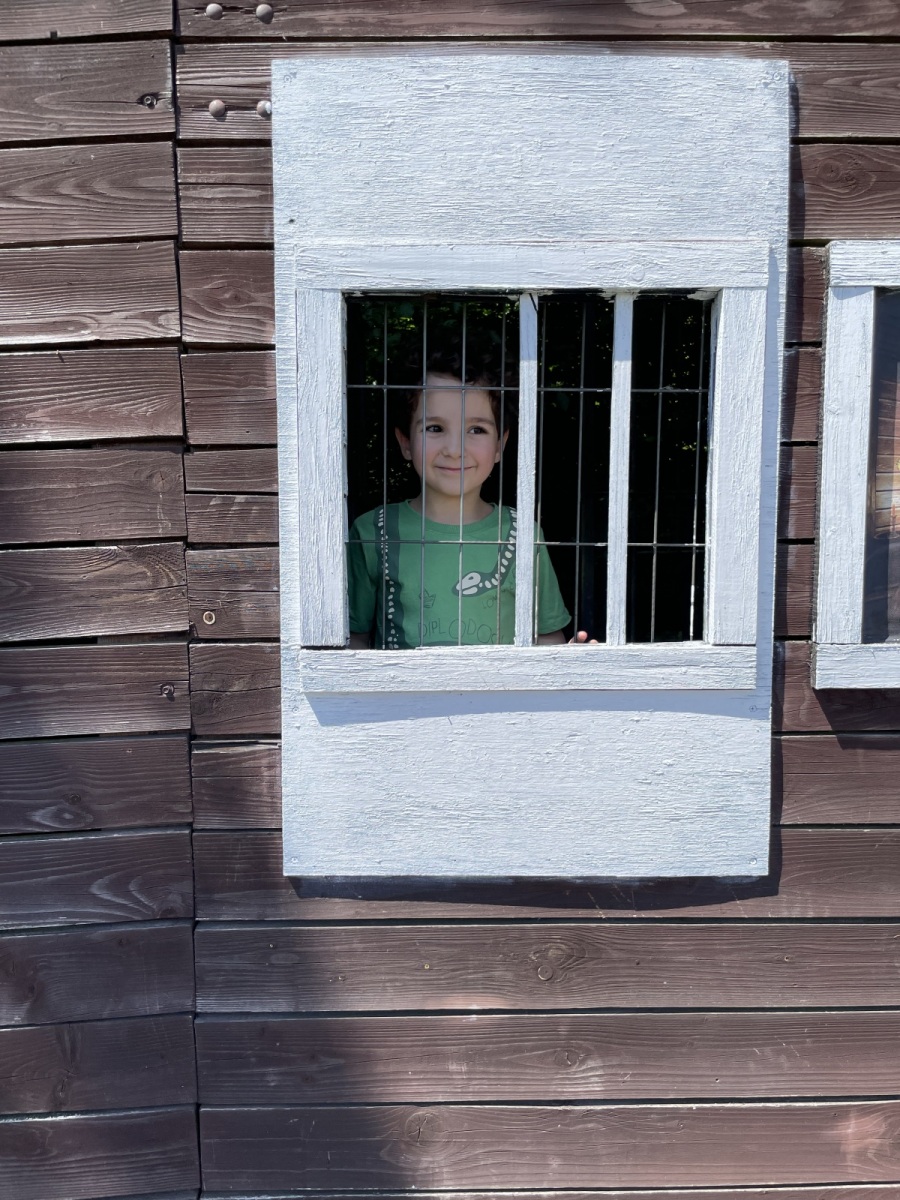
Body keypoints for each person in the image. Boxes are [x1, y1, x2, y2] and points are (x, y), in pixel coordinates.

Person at [347, 348, 595, 648]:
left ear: (500, 444)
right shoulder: (373, 531)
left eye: (476, 429)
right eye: (435, 428)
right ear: (406, 442)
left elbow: (544, 636)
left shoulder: (521, 534)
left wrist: (568, 660)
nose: (455, 449)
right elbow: (354, 639)